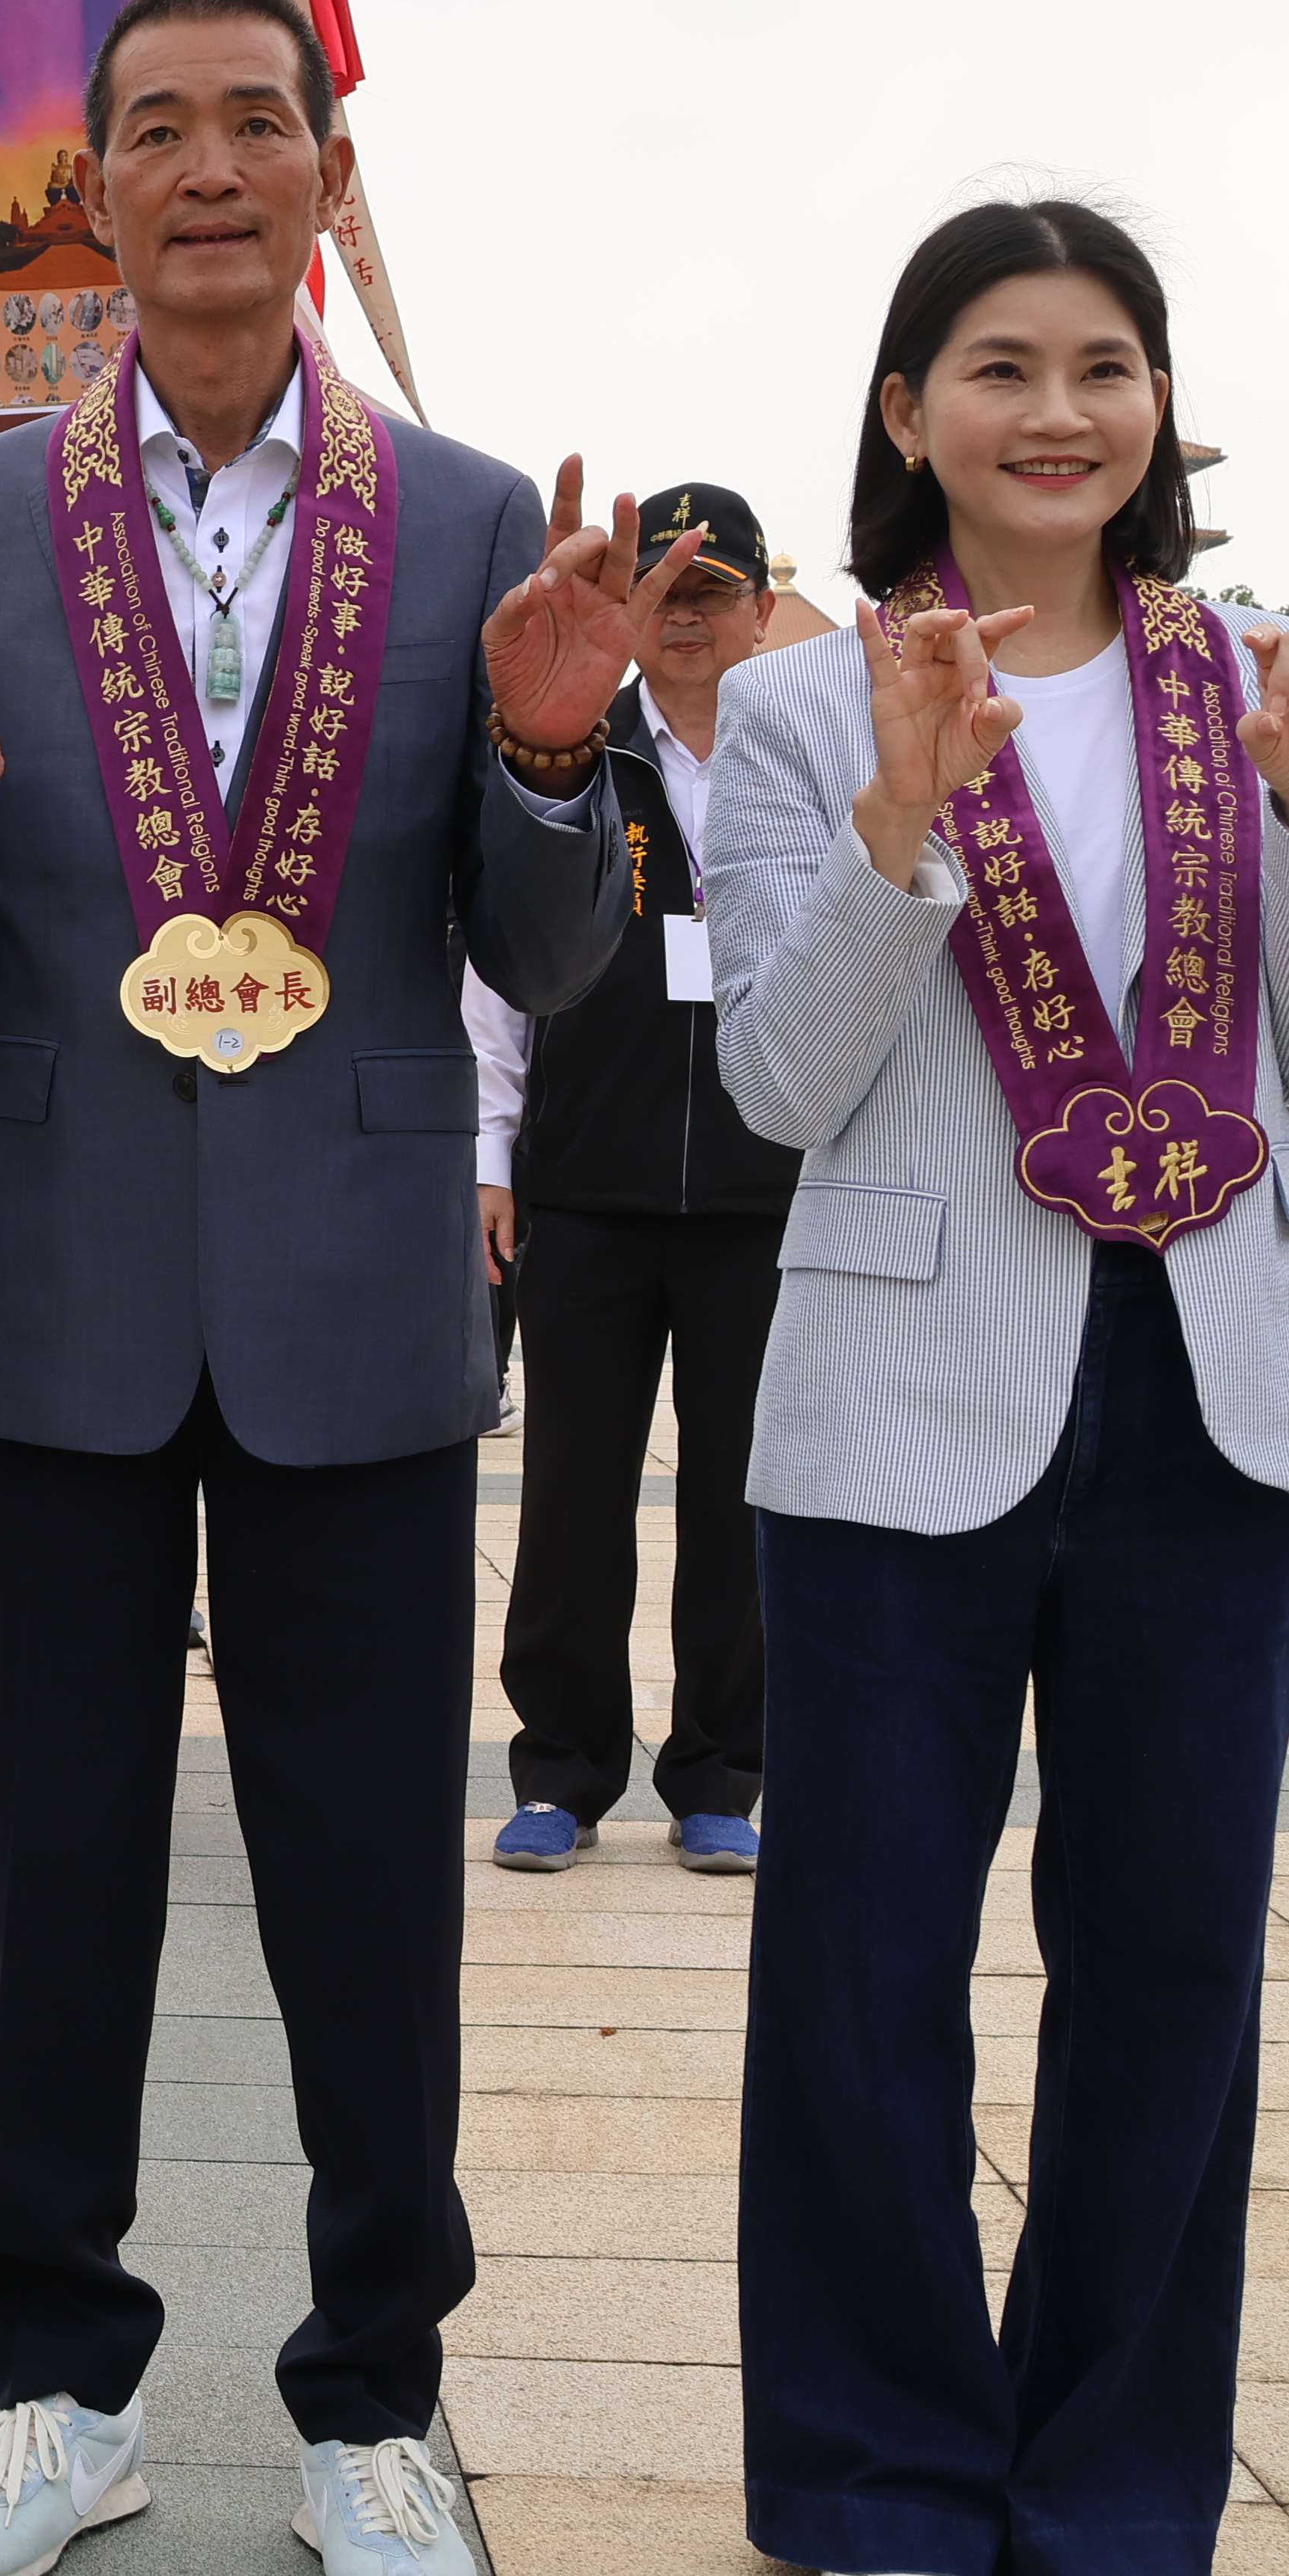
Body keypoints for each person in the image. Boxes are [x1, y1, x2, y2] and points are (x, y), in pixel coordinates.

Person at [0, 0, 657, 2576]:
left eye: (251, 124)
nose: (200, 167)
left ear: (324, 175)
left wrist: (542, 761)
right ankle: (61, 2383)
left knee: (369, 1889)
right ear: (94, 185)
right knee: (61, 1863)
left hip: (363, 1284)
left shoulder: (483, 511)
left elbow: (547, 951)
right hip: (58, 1281)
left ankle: (378, 2405)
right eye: (149, 127)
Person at [709, 200, 1289, 2576]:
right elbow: (780, 1079)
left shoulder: (1268, 686)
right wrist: (903, 824)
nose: (1055, 411)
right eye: (997, 365)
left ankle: (1118, 2476)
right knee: (871, 1952)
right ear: (908, 412)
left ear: (1158, 411)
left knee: (1171, 1961)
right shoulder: (804, 710)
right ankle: (882, 2462)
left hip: (1211, 1399)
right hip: (907, 1403)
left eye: (1102, 364)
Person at [462, 482, 794, 1883]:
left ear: (765, 609)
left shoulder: (807, 764)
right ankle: (563, 1769)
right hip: (585, 1189)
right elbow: (493, 973)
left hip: (765, 1197)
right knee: (572, 1498)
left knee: (743, 1501)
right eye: (667, 592)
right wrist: (492, 1151)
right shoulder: (578, 751)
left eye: (719, 594)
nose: (692, 618)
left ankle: (722, 1770)